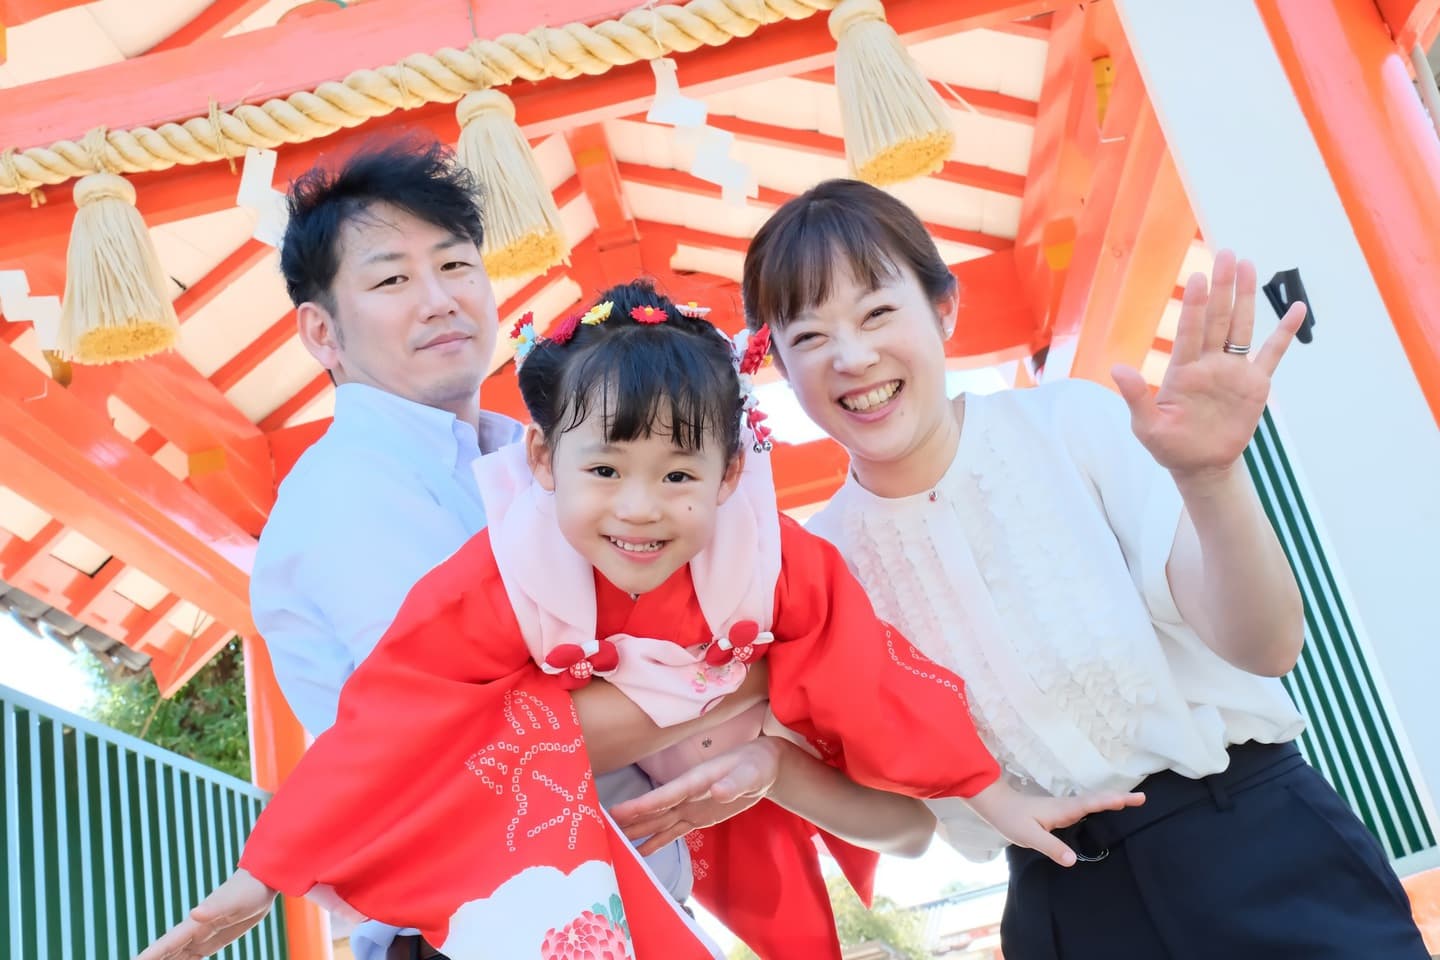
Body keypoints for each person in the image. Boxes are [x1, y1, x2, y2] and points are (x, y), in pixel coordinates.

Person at [140, 281, 1144, 960]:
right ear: (544, 464)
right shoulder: (501, 574)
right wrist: (263, 873)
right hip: (537, 851)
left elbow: (864, 672)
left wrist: (992, 794)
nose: (639, 510)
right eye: (606, 470)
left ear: (732, 473)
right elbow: (390, 721)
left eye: (677, 476)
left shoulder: (776, 558)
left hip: (697, 797)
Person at [629, 178, 1426, 959]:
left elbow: (1267, 645)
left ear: (944, 308)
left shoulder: (1072, 425)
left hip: (1256, 852)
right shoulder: (816, 564)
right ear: (779, 363)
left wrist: (1211, 477)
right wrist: (775, 768)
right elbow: (910, 826)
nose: (852, 356)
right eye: (809, 337)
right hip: (1064, 912)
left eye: (877, 313)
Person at [147, 140, 760, 960]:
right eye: (392, 280)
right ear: (322, 333)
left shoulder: (526, 454)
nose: (439, 300)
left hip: (614, 907)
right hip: (480, 931)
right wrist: (743, 677)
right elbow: (483, 736)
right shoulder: (347, 490)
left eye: (455, 265)